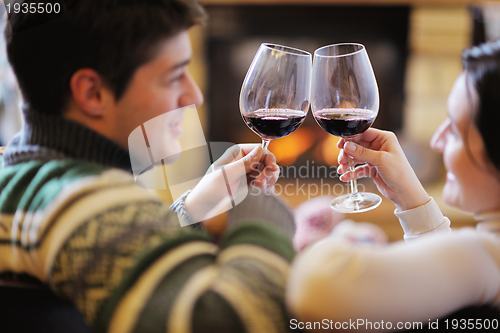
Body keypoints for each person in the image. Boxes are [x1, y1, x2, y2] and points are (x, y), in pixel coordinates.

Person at [0, 1, 296, 332]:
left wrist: (197, 206)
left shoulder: (28, 179)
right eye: (173, 77)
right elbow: (234, 321)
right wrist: (262, 215)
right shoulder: (84, 200)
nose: (194, 95)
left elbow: (111, 258)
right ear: (93, 93)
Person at [286, 39, 500, 330]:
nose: (437, 141)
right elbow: (441, 274)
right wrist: (410, 196)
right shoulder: (484, 258)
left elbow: (312, 288)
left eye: (457, 130)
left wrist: (344, 234)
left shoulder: (485, 255)